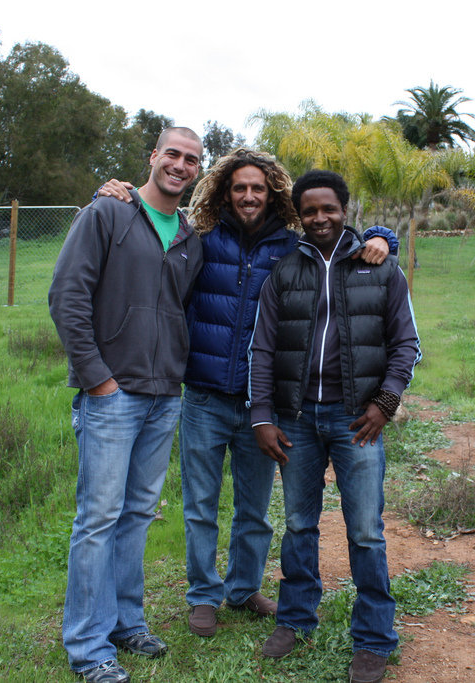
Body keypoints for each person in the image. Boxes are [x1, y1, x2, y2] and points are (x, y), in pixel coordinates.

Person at [95, 149, 398, 639]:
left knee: (254, 508)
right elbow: (152, 227)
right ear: (224, 192)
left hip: (267, 406)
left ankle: (243, 587)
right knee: (200, 505)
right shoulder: (203, 240)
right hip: (205, 398)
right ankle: (203, 595)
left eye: (258, 188)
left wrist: (385, 237)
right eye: (239, 188)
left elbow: (343, 245)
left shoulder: (291, 245)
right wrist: (114, 195)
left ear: (273, 192)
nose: (249, 196)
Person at [248, 169, 420, 683]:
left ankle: (373, 639)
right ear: (299, 215)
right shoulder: (283, 272)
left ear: (345, 210)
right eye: (310, 210)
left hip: (357, 423)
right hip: (296, 420)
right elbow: (261, 347)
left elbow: (406, 344)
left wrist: (384, 404)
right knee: (299, 523)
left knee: (365, 531)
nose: (320, 218)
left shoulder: (381, 268)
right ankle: (296, 617)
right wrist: (262, 416)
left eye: (329, 208)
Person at [48, 127, 204, 683]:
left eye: (191, 159)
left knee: (137, 515)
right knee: (97, 518)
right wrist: (97, 380)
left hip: (165, 397)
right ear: (153, 158)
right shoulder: (107, 214)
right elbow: (67, 295)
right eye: (173, 154)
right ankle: (89, 648)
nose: (180, 165)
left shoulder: (189, 236)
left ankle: (126, 623)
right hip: (113, 396)